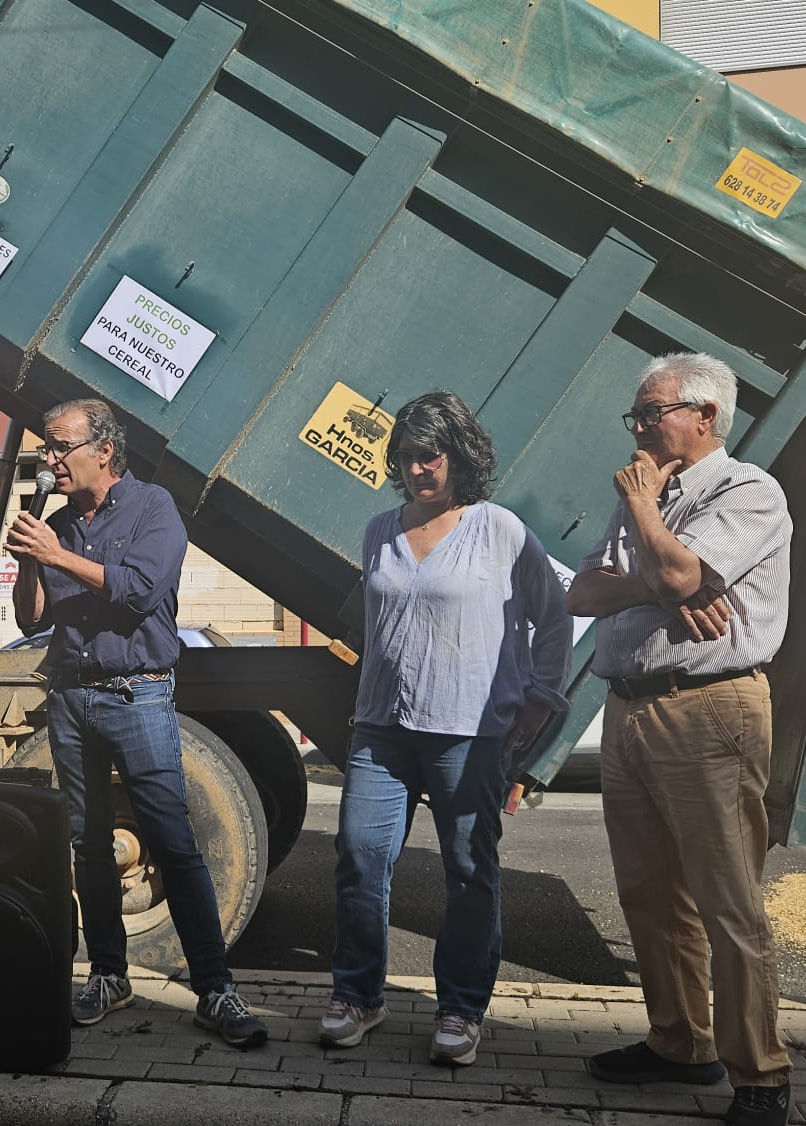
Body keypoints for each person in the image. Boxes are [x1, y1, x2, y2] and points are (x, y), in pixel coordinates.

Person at [565, 353, 794, 1126]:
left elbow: (678, 578)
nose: (637, 428)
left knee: (726, 899)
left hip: (709, 708)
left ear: (705, 416)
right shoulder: (646, 497)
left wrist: (649, 527)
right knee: (648, 892)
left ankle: (760, 1075)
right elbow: (584, 592)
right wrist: (659, 581)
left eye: (651, 412)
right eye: (635, 414)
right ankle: (680, 1044)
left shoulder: (746, 491)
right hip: (629, 708)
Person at [4, 397, 267, 1049]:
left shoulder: (154, 509)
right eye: (45, 446)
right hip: (71, 697)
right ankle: (109, 975)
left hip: (137, 695)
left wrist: (57, 556)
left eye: (60, 445)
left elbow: (139, 591)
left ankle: (215, 988)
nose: (49, 458)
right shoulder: (57, 525)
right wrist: (33, 556)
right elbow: (31, 618)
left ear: (104, 451)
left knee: (173, 841)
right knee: (89, 845)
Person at [319, 391, 571, 1066]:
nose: (417, 468)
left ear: (459, 456)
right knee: (360, 857)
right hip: (383, 727)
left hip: (469, 731)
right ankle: (358, 994)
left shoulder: (500, 530)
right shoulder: (380, 529)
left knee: (468, 870)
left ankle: (461, 1007)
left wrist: (541, 697)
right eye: (406, 456)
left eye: (430, 455)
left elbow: (553, 616)